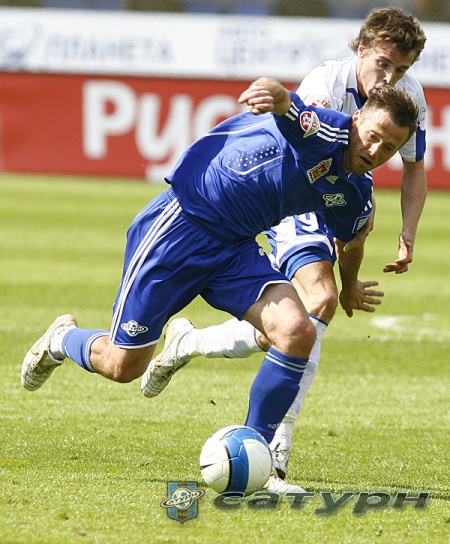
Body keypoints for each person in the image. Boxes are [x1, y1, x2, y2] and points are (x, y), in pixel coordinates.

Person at [21, 77, 418, 494]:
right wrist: (268, 90)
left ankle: (258, 456)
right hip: (180, 227)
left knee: (297, 331)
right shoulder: (325, 131)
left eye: (389, 148)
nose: (375, 151)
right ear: (357, 120)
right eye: (373, 136)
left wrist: (350, 284)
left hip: (235, 248)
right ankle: (62, 339)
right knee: (123, 366)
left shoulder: (355, 192)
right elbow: (285, 101)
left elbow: (352, 240)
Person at [141, 7, 428, 484]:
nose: (390, 77)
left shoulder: (408, 98)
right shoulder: (325, 83)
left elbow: (414, 168)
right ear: (362, 49)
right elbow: (304, 151)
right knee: (321, 299)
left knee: (292, 328)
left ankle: (192, 342)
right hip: (296, 199)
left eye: (401, 69)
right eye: (383, 63)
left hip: (339, 195)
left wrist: (406, 231)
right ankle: (274, 450)